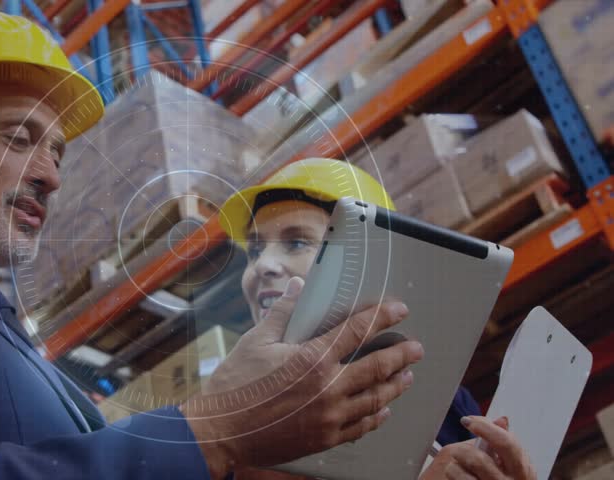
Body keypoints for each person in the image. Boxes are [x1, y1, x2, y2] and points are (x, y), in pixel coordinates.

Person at [0, 12, 425, 480]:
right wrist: (212, 429)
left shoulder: (28, 354)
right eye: (19, 138)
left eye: (57, 152)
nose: (51, 174)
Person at [217, 157, 536, 479]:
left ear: (375, 263)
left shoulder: (447, 402)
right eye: (255, 250)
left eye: (296, 242)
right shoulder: (248, 422)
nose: (262, 265)